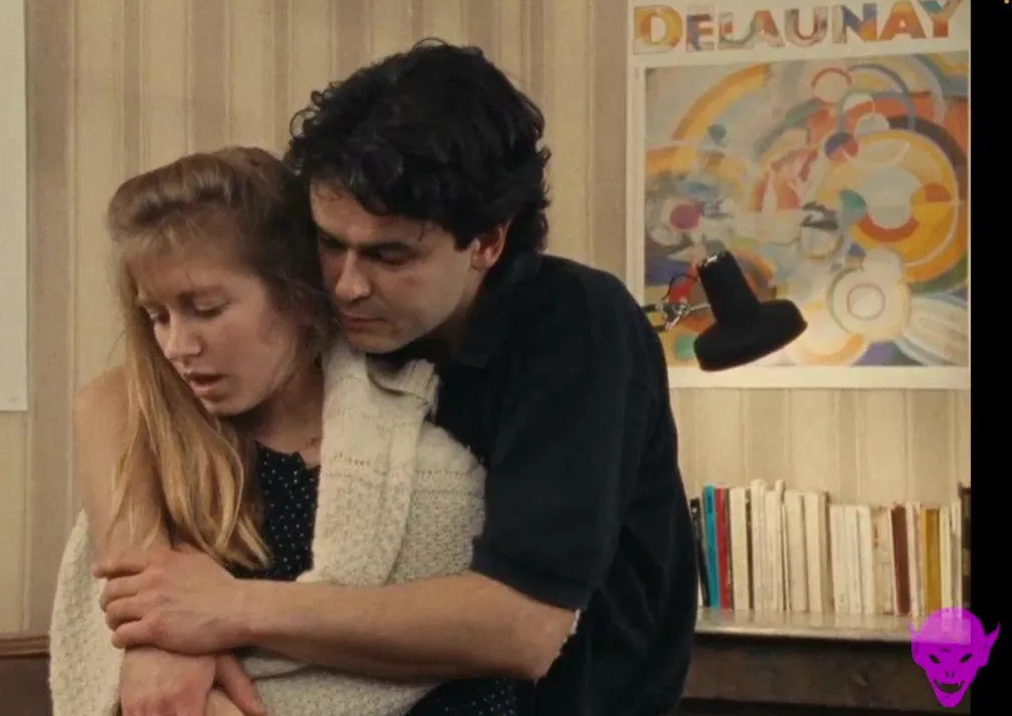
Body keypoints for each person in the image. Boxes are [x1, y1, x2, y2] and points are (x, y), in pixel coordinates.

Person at [94, 40, 701, 716]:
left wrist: (228, 609)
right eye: (331, 243)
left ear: (487, 242)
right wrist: (150, 624)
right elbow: (116, 395)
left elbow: (521, 628)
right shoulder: (348, 308)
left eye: (390, 255)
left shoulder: (576, 326)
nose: (347, 285)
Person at [49, 145, 527, 716]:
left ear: (298, 296)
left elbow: (485, 677)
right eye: (158, 316)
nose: (178, 345)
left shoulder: (425, 467)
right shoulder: (155, 466)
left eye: (207, 308)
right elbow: (120, 672)